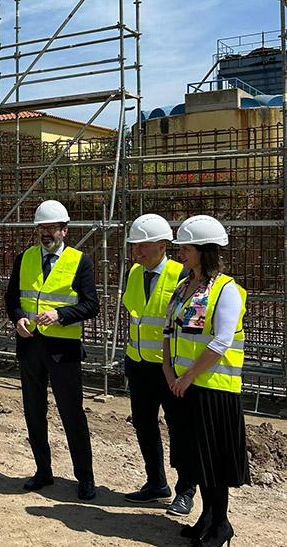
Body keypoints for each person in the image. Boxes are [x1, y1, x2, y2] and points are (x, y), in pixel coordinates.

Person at [4, 200, 100, 500]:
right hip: (30, 346)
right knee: (34, 412)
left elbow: (91, 305)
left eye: (51, 228)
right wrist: (18, 316)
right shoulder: (25, 258)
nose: (46, 233)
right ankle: (43, 471)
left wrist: (61, 314)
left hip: (63, 350)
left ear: (64, 230)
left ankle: (84, 477)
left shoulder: (79, 261)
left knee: (72, 414)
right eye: (41, 228)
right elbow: (12, 298)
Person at [164, 215, 248, 547]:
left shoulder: (227, 290)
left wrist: (186, 376)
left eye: (186, 248)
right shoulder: (184, 286)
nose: (181, 253)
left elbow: (220, 343)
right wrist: (170, 373)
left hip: (213, 390)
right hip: (183, 385)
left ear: (205, 251)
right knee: (194, 458)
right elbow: (170, 331)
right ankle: (207, 517)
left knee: (213, 462)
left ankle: (221, 524)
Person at [122, 214, 197, 515]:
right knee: (144, 425)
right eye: (134, 245)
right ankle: (156, 483)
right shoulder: (133, 273)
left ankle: (186, 490)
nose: (137, 251)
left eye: (143, 245)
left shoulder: (182, 276)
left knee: (179, 429)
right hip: (138, 364)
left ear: (163, 245)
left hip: (170, 369)